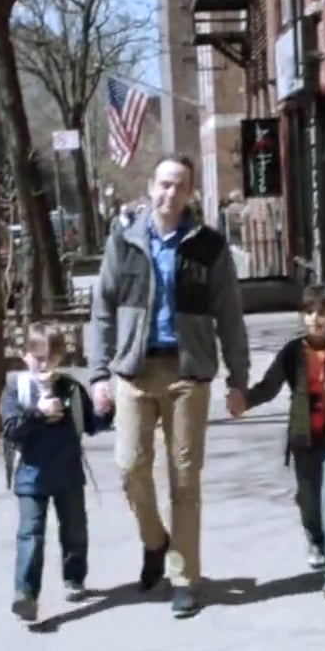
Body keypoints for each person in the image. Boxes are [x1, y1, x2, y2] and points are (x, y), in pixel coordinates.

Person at [87, 152, 250, 618]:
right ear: (150, 187)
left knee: (184, 480)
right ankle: (155, 540)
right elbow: (102, 309)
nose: (170, 193)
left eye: (179, 185)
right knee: (129, 467)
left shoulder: (209, 246)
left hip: (187, 374)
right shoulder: (124, 241)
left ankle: (183, 578)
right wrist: (98, 374)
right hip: (134, 372)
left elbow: (230, 317)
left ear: (190, 192)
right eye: (164, 183)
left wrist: (239, 381)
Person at [242, 283, 325, 600]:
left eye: (323, 313)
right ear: (302, 315)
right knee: (309, 502)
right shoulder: (292, 353)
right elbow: (269, 386)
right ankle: (315, 539)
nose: (316, 318)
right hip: (303, 441)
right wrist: (243, 401)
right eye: (310, 312)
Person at [0, 323, 111, 623]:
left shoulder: (71, 388)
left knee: (74, 530)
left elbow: (91, 424)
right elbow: (10, 430)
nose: (44, 364)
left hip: (68, 473)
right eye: (37, 357)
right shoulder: (16, 389)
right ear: (24, 356)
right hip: (31, 476)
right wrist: (39, 413)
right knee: (30, 535)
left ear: (61, 357)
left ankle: (74, 577)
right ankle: (25, 594)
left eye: (51, 357)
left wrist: (105, 410)